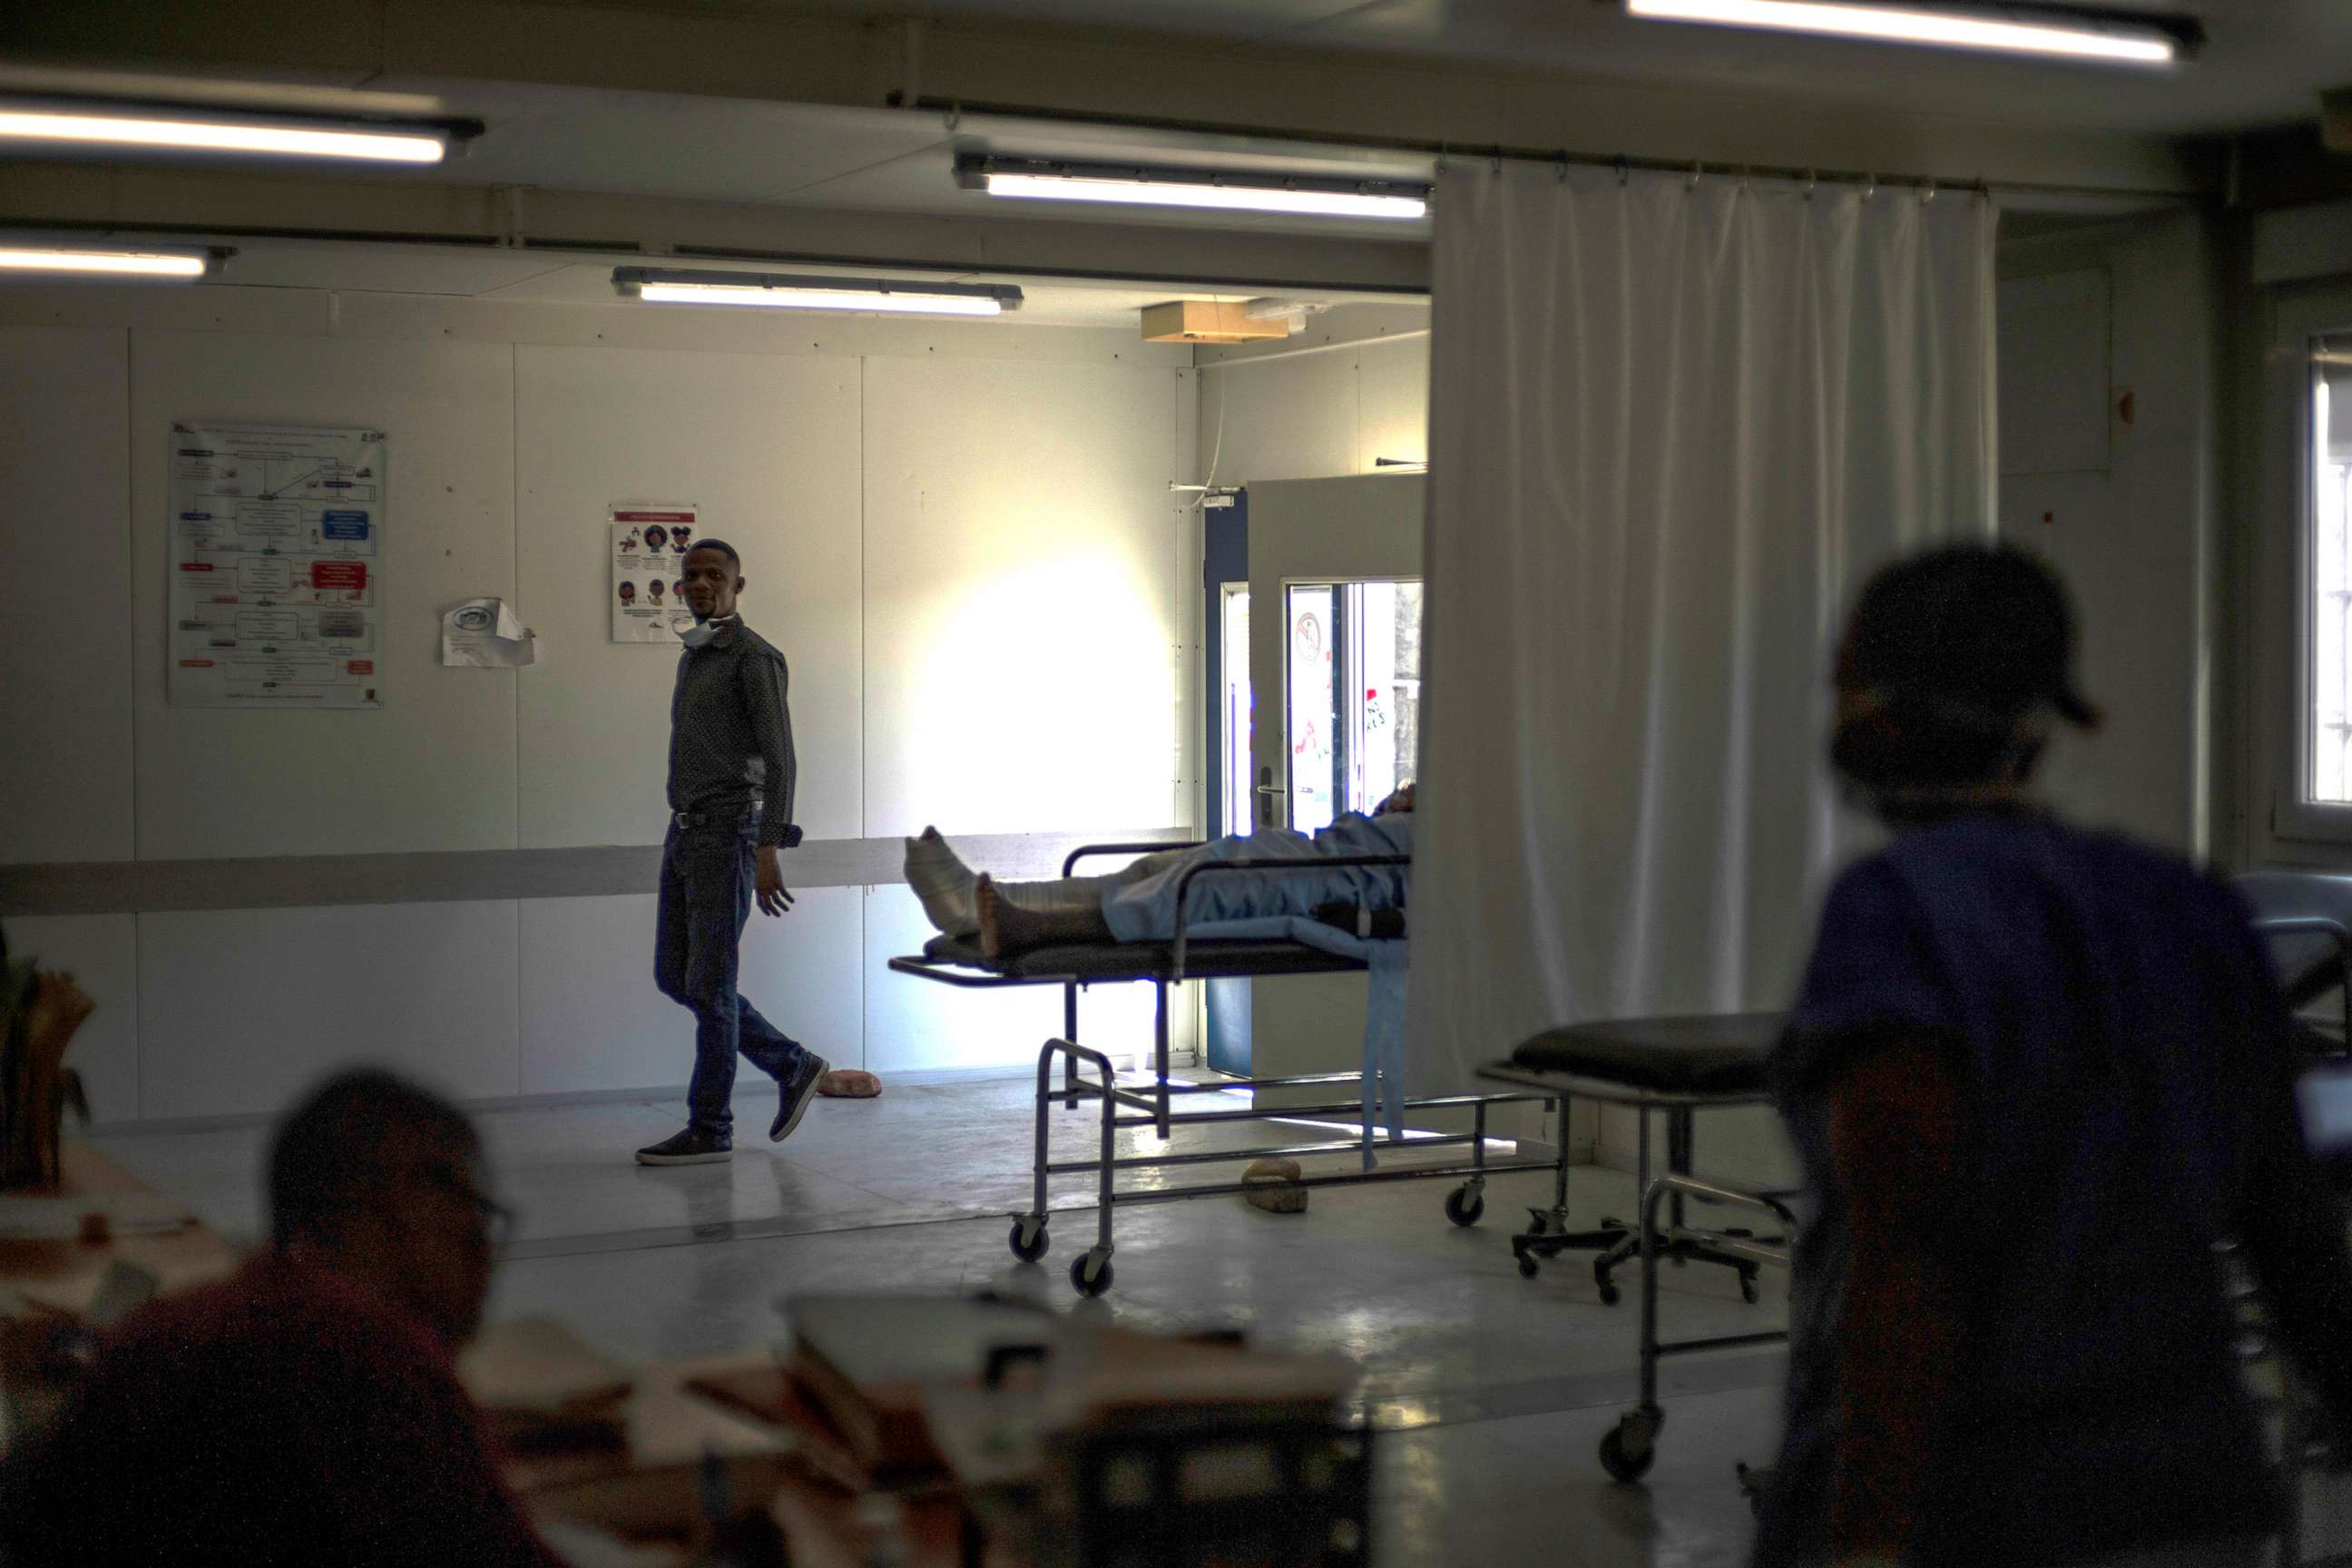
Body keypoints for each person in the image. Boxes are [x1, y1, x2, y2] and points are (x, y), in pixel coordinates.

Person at [1756, 543, 2352, 1568]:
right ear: (2049, 708)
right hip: (2193, 1492)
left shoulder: (1896, 914)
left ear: (1881, 700)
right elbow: (2294, 1238)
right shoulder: (2189, 904)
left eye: (1843, 677)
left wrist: (1863, 1539)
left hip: (1978, 1503)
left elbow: (1908, 1253)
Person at [0, 1070, 565, 1567]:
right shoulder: (369, 1359)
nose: (484, 1254)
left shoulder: (184, 1323)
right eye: (476, 1215)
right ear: (408, 1209)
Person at [637, 540, 862, 1168]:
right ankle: (795, 1065)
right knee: (675, 976)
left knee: (710, 985)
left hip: (728, 833)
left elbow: (780, 758)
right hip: (684, 831)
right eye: (693, 576)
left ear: (739, 584)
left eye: (716, 575)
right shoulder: (696, 655)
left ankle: (711, 1127)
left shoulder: (754, 658)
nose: (702, 583)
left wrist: (769, 845)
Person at [905, 784, 1416, 957]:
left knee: (1209, 885)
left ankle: (1036, 929)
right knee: (1161, 868)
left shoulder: (1481, 851)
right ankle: (973, 906)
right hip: (1320, 851)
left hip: (1339, 884)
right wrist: (1394, 805)